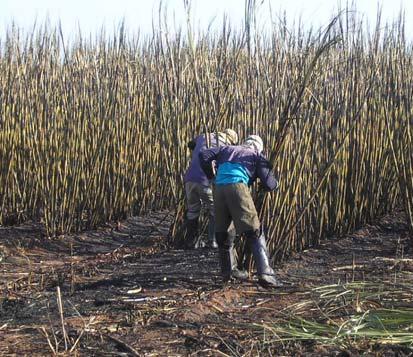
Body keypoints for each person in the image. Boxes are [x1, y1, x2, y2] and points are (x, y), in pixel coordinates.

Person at [199, 135, 283, 288]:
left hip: (218, 190)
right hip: (237, 188)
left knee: (223, 233)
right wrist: (275, 184)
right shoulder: (255, 155)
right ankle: (266, 274)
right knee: (254, 231)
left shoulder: (227, 148)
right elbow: (269, 184)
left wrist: (212, 175)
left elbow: (203, 154)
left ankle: (228, 273)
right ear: (258, 147)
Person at [183, 128, 238, 249]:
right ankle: (212, 241)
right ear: (231, 140)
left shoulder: (204, 136)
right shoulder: (225, 146)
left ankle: (192, 241)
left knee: (192, 210)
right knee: (216, 210)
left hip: (190, 178)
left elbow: (190, 144)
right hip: (205, 181)